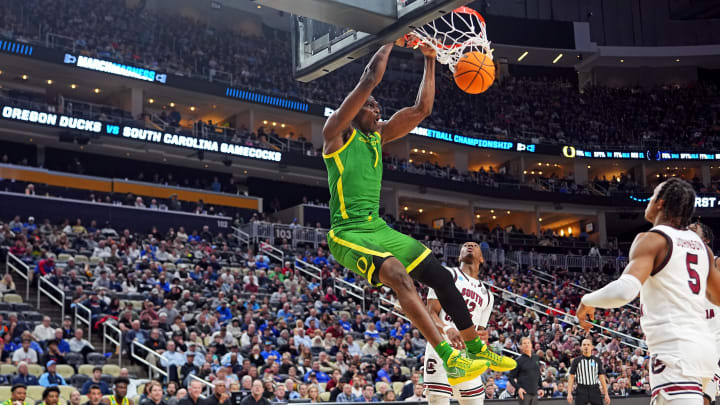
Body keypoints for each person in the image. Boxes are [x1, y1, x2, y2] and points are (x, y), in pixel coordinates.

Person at [321, 36, 511, 384]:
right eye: (371, 106)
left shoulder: (376, 136)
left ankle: (474, 346)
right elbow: (368, 81)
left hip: (377, 227)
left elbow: (422, 109)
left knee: (439, 274)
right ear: (353, 109)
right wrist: (391, 38)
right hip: (347, 232)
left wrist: (429, 58)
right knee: (396, 273)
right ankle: (448, 357)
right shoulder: (335, 133)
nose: (376, 110)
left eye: (379, 108)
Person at [577, 179, 720, 405]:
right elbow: (718, 296)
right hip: (704, 352)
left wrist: (587, 299)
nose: (649, 201)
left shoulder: (652, 239)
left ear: (660, 203)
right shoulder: (703, 247)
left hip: (675, 352)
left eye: (652, 196)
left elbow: (625, 290)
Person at [424, 241, 507, 405]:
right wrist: (447, 328)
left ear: (481, 258)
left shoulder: (488, 295)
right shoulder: (446, 274)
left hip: (467, 354)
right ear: (459, 255)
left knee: (475, 401)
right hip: (441, 347)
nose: (469, 246)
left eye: (474, 245)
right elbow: (430, 313)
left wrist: (483, 337)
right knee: (439, 400)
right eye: (465, 245)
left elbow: (479, 332)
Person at [689, 221, 720, 405]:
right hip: (691, 341)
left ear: (705, 240)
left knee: (703, 398)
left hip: (714, 342)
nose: (688, 231)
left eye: (694, 229)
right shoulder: (679, 267)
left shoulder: (716, 262)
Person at [567, 339, 610, 405]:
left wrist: (606, 394)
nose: (586, 346)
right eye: (584, 345)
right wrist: (569, 393)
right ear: (581, 347)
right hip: (581, 389)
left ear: (592, 347)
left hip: (594, 389)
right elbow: (571, 377)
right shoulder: (576, 361)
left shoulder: (597, 360)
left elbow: (601, 377)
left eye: (588, 345)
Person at [508, 338, 541, 405]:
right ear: (520, 346)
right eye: (524, 343)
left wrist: (541, 387)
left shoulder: (536, 358)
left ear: (531, 345)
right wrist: (519, 388)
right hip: (524, 394)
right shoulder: (518, 361)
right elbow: (510, 377)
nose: (527, 345)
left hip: (535, 392)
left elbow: (538, 374)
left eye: (528, 343)